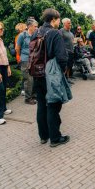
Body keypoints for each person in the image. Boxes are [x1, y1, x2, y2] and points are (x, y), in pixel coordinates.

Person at [32, 8, 70, 147]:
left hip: (37, 73)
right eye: (59, 20)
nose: (59, 22)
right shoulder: (55, 33)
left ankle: (43, 136)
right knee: (53, 104)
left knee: (41, 105)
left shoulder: (35, 32)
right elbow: (61, 56)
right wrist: (63, 69)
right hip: (51, 74)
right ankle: (55, 138)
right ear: (53, 19)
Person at [16, 18, 38, 105]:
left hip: (34, 59)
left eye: (37, 26)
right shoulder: (22, 35)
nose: (37, 28)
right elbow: (17, 48)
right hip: (25, 60)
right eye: (35, 26)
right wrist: (21, 57)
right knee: (28, 79)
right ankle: (28, 98)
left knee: (34, 78)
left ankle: (34, 95)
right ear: (29, 26)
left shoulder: (36, 35)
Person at [60, 18, 75, 84]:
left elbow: (72, 41)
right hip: (65, 52)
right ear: (64, 24)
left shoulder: (71, 33)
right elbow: (59, 42)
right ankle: (63, 80)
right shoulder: (61, 31)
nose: (70, 24)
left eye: (70, 23)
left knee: (69, 66)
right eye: (68, 23)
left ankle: (67, 79)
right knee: (65, 67)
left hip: (71, 51)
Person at [14, 23, 27, 96]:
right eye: (25, 28)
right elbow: (18, 48)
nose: (26, 28)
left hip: (20, 57)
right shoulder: (20, 36)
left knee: (25, 74)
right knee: (25, 74)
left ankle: (24, 89)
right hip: (21, 57)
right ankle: (23, 89)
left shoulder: (19, 36)